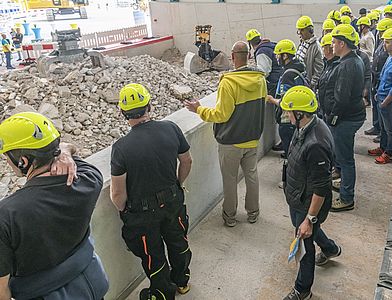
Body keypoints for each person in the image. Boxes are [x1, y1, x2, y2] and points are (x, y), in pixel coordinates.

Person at [0, 112, 109, 299]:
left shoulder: (7, 215)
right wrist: (63, 152)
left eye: (7, 156)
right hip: (91, 284)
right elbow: (69, 148)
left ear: (23, 161)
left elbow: (2, 289)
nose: (7, 161)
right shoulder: (89, 179)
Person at [110, 84, 193, 300]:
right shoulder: (171, 128)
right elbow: (186, 160)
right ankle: (182, 281)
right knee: (178, 241)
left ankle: (163, 293)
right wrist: (178, 184)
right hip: (173, 200)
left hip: (142, 213)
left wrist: (125, 211)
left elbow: (117, 194)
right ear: (149, 106)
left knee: (152, 255)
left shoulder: (121, 147)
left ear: (122, 113)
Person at [184, 41, 267, 227]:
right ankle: (253, 213)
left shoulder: (228, 83)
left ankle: (230, 217)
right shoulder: (260, 79)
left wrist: (199, 110)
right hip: (252, 139)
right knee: (252, 176)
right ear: (249, 56)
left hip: (231, 142)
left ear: (232, 56)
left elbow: (221, 114)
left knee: (229, 181)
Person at [281, 86, 341, 300]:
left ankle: (302, 288)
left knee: (304, 243)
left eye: (289, 112)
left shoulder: (315, 144)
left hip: (308, 203)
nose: (286, 116)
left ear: (299, 114)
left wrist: (309, 218)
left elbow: (322, 187)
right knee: (307, 231)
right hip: (298, 197)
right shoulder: (308, 126)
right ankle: (330, 249)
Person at [328, 24, 366, 212]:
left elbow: (341, 98)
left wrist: (333, 118)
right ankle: (344, 185)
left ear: (342, 43)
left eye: (334, 42)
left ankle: (346, 197)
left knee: (345, 159)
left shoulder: (347, 65)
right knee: (344, 156)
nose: (332, 45)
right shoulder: (355, 59)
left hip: (347, 118)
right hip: (354, 115)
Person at [368, 28, 392, 164]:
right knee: (384, 128)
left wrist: (385, 101)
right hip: (382, 98)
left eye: (388, 42)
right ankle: (383, 148)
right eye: (384, 42)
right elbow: (384, 79)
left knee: (390, 128)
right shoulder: (390, 58)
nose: (384, 45)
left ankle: (389, 153)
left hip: (389, 101)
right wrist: (379, 93)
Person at [267, 39, 308, 159]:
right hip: (299, 115)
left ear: (285, 55)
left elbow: (286, 101)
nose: (276, 58)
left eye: (278, 55)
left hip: (288, 119)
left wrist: (272, 99)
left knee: (291, 153)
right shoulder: (299, 68)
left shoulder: (288, 75)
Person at [366, 18, 392, 138]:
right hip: (375, 79)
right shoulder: (382, 43)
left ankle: (382, 134)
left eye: (382, 31)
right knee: (375, 105)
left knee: (383, 109)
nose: (380, 34)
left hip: (382, 81)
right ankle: (376, 126)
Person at [246, 29, 282, 96]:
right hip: (280, 79)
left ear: (249, 43)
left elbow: (263, 72)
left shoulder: (262, 52)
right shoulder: (270, 45)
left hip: (275, 84)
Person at [295, 16, 324, 90]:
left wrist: (311, 84)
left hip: (308, 86)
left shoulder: (316, 47)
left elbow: (319, 69)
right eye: (299, 30)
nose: (299, 33)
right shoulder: (302, 43)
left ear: (310, 30)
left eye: (302, 30)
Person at [317, 33, 340, 120]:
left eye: (323, 47)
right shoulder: (327, 64)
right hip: (324, 110)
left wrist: (333, 113)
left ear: (328, 48)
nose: (322, 50)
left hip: (331, 111)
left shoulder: (337, 65)